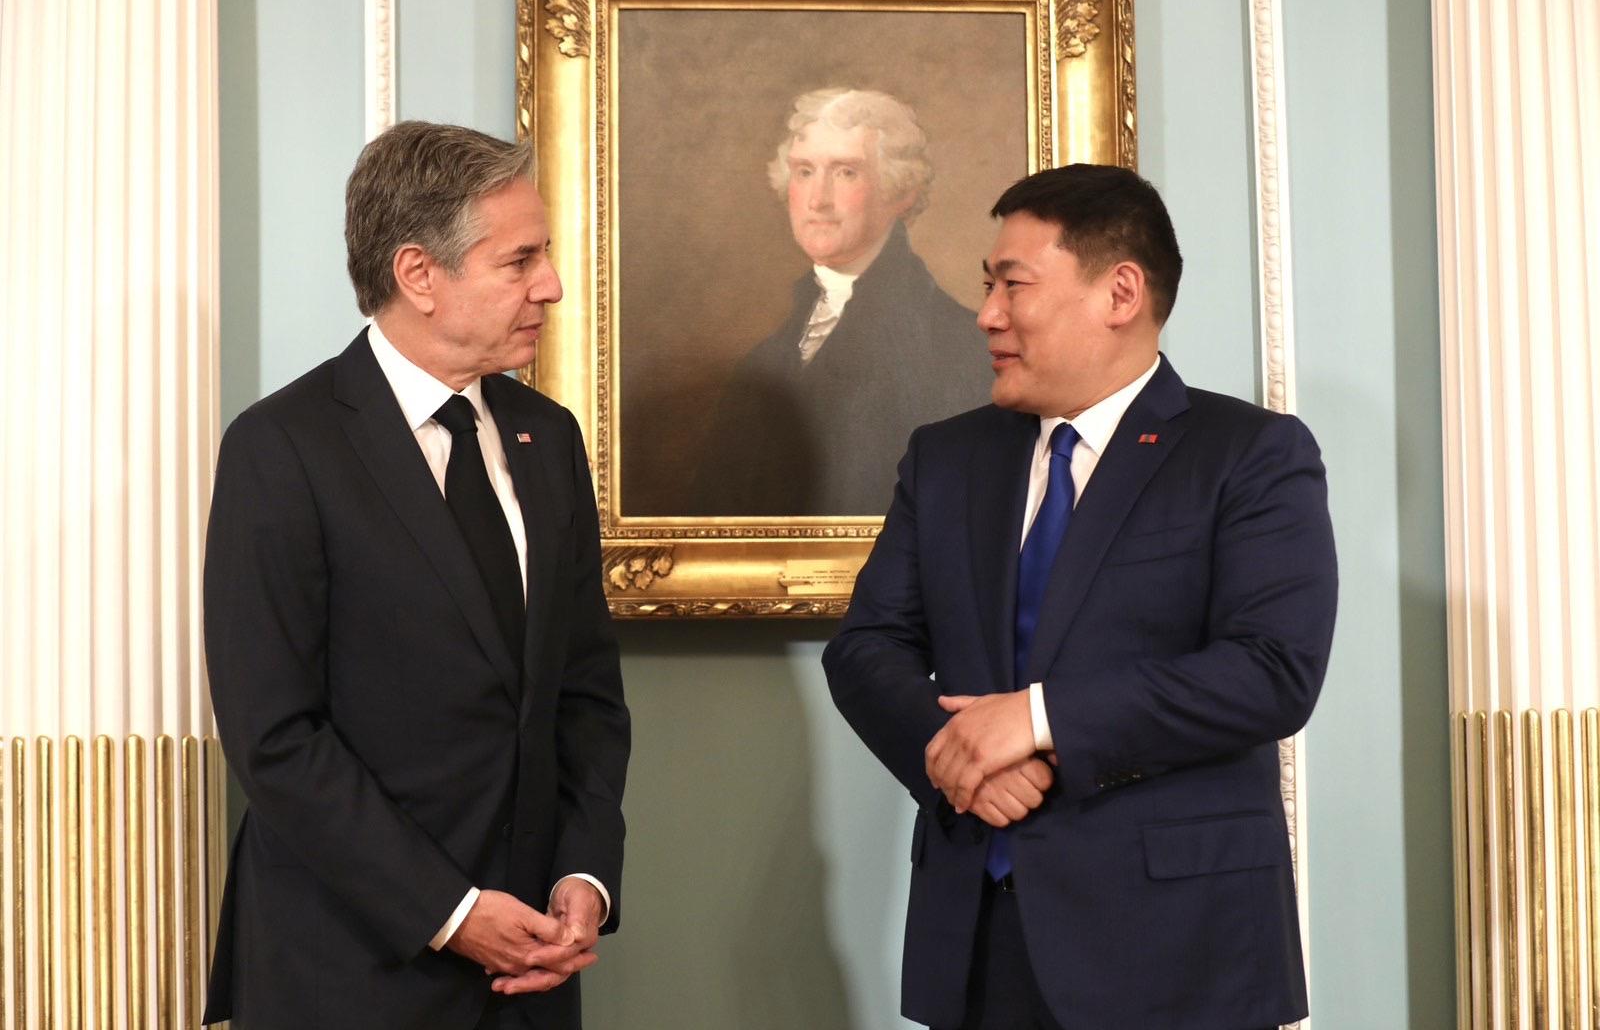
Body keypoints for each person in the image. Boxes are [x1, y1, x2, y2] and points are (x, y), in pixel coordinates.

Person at [823, 164, 1337, 1029]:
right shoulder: (947, 458)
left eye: (1012, 285)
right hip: (980, 941)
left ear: (1120, 293)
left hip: (1179, 950)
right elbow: (867, 647)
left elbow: (1271, 671)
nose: (987, 314)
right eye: (987, 286)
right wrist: (958, 762)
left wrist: (1034, 719)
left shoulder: (1250, 454)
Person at [201, 121, 631, 1029]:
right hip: (348, 968)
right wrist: (453, 912)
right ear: (418, 274)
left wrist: (584, 871)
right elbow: (276, 736)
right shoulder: (282, 448)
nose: (551, 285)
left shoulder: (548, 438)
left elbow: (585, 690)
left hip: (531, 972)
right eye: (519, 261)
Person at [688, 87, 992, 516]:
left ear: (900, 191)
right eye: (804, 171)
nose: (818, 200)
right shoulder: (766, 358)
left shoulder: (959, 347)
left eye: (846, 172)